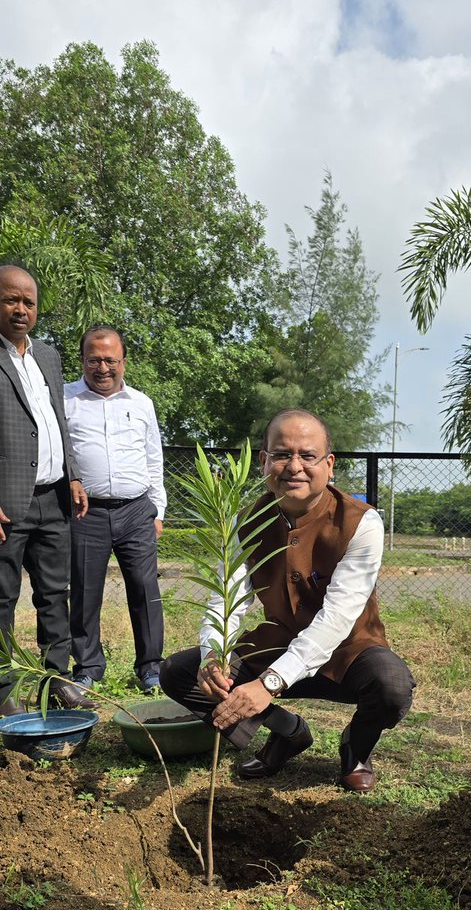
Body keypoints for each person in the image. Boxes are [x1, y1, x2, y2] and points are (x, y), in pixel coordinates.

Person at [160, 409, 415, 792]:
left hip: (349, 649)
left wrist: (268, 684)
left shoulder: (361, 523)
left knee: (391, 684)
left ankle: (356, 748)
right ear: (263, 462)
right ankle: (288, 731)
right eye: (281, 454)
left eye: (308, 456)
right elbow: (225, 599)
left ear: (328, 465)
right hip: (278, 641)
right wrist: (214, 654)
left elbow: (337, 617)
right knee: (182, 672)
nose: (294, 466)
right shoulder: (245, 521)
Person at [0, 264, 93, 714]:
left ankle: (55, 679)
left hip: (53, 498)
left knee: (55, 594)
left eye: (29, 302)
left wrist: (73, 474)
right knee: (2, 596)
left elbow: (58, 423)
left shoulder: (49, 357)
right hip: (6, 503)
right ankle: (1, 692)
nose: (21, 309)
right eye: (10, 300)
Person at [64, 325, 166, 693]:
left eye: (110, 360)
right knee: (85, 592)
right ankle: (88, 667)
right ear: (83, 361)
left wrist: (159, 512)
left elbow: (154, 459)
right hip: (85, 514)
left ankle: (152, 667)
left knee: (145, 590)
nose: (102, 367)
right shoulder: (64, 400)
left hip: (137, 510)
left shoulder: (141, 404)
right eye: (94, 360)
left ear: (124, 361)